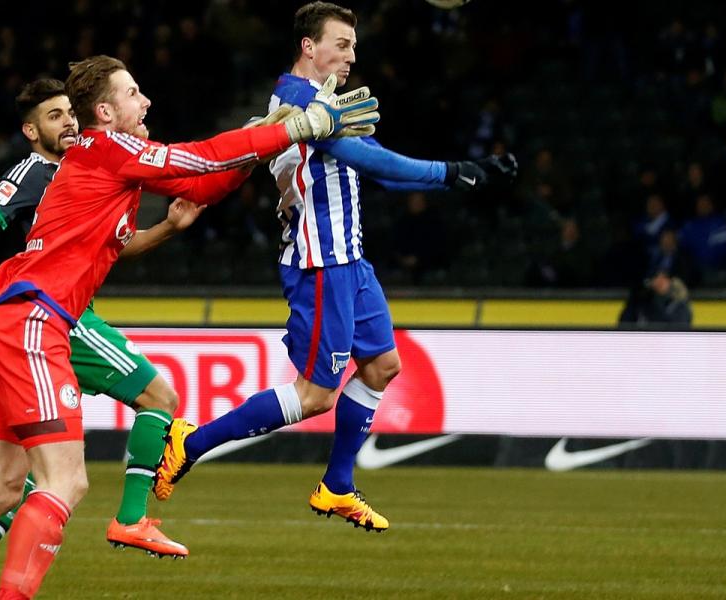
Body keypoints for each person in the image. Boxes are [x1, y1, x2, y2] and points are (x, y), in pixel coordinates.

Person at [0, 54, 377, 600]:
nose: (145, 102)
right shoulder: (107, 146)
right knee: (65, 481)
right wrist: (293, 128)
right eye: (133, 93)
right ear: (104, 110)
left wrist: (261, 135)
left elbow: (199, 182)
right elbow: (197, 161)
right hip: (34, 321)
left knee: (0, 483)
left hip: (7, 321)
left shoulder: (102, 161)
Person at [153, 1, 517, 533]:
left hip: (350, 258)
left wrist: (464, 177)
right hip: (321, 261)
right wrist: (455, 171)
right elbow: (372, 161)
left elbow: (382, 171)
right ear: (309, 46)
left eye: (354, 47)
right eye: (341, 45)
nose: (350, 57)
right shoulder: (300, 100)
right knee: (315, 395)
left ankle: (337, 487)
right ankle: (193, 441)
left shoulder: (325, 100)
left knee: (382, 366)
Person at [0, 78, 210, 600]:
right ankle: (130, 518)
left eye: (69, 113)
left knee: (42, 470)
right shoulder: (35, 171)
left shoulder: (90, 165)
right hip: (52, 315)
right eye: (54, 116)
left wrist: (170, 229)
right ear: (31, 130)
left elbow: (117, 247)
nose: (67, 123)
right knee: (161, 397)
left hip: (56, 312)